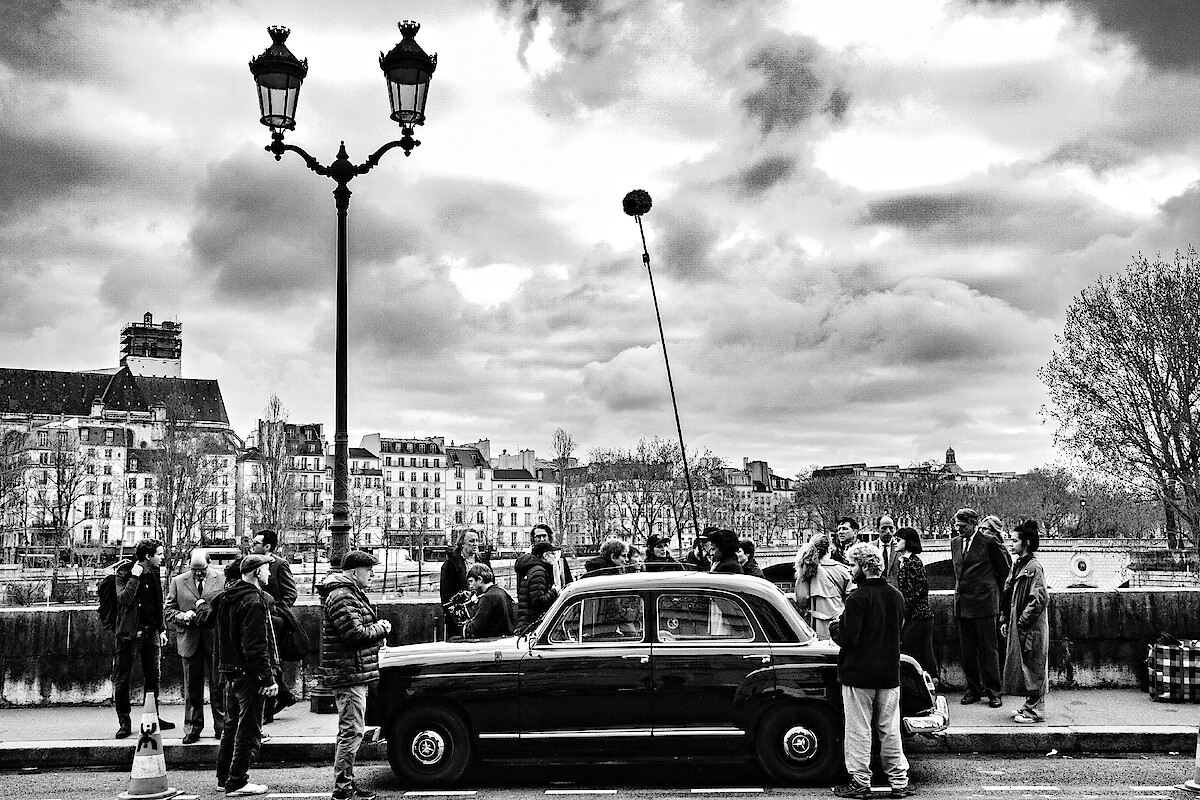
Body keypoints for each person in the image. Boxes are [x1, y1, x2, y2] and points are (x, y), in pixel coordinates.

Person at [829, 543, 910, 800]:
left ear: (864, 566)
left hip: (859, 673)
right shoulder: (896, 596)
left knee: (859, 730)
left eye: (853, 565)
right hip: (889, 673)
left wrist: (834, 627)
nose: (851, 570)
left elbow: (848, 637)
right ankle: (899, 782)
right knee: (890, 729)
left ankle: (861, 782)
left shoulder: (857, 598)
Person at [318, 550, 393, 800]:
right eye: (368, 570)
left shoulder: (348, 594)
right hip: (349, 674)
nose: (371, 574)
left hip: (353, 671)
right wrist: (381, 628)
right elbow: (355, 634)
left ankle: (346, 784)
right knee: (352, 731)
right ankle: (343, 788)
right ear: (353, 572)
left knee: (351, 730)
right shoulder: (342, 597)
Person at [214, 553, 279, 797]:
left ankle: (224, 777)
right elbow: (255, 647)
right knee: (249, 728)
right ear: (256, 572)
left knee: (231, 725)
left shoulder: (227, 597)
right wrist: (268, 679)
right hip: (249, 674)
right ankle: (237, 781)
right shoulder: (253, 601)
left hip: (231, 670)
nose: (269, 574)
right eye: (266, 569)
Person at [112, 538, 175, 739]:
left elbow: (158, 602)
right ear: (148, 557)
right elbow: (123, 600)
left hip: (151, 633)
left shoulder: (154, 573)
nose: (162, 557)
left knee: (153, 678)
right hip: (129, 635)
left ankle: (152, 718)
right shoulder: (124, 572)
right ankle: (124, 721)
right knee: (123, 679)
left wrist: (162, 629)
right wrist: (135, 578)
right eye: (159, 554)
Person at [951, 508, 1012, 709]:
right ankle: (973, 689)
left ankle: (994, 691)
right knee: (967, 651)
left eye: (962, 526)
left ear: (973, 524)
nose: (958, 529)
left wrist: (1001, 603)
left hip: (984, 604)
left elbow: (1004, 573)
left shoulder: (989, 542)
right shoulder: (955, 543)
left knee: (988, 650)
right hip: (963, 603)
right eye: (956, 525)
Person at [165, 548, 225, 744]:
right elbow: (169, 610)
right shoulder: (178, 581)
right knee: (191, 687)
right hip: (189, 640)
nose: (198, 574)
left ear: (209, 565)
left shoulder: (222, 579)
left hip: (214, 640)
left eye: (202, 570)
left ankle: (222, 726)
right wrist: (183, 616)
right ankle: (192, 727)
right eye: (194, 570)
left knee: (219, 685)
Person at [1002, 519, 1050, 724]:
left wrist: (1021, 622)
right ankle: (1029, 706)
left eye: (1014, 541)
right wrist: (1005, 619)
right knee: (1026, 666)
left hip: (1029, 627)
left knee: (1034, 666)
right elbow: (1008, 595)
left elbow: (1039, 599)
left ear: (1026, 543)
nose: (1010, 544)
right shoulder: (1020, 565)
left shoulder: (1033, 567)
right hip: (1019, 623)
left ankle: (1035, 710)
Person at [249, 529, 296, 724]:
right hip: (255, 620)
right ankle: (282, 697)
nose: (252, 545)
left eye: (256, 543)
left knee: (271, 663)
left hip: (274, 622)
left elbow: (290, 594)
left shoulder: (279, 565)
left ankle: (268, 710)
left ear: (267, 547)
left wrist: (274, 612)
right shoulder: (250, 563)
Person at [894, 526, 938, 682]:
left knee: (916, 652)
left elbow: (915, 592)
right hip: (918, 616)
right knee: (921, 652)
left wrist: (903, 613)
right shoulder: (907, 561)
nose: (895, 542)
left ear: (908, 542)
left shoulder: (912, 563)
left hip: (918, 616)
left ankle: (925, 682)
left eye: (898, 539)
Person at [793, 533, 852, 639]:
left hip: (814, 628)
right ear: (829, 548)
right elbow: (851, 602)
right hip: (838, 626)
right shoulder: (843, 571)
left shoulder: (805, 571)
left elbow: (801, 602)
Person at [439, 529, 489, 637]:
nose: (475, 544)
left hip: (482, 615)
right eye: (471, 541)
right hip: (460, 619)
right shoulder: (451, 565)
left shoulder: (484, 562)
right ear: (462, 543)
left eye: (477, 540)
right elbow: (446, 595)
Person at [514, 541, 559, 632]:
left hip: (525, 621)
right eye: (553, 554)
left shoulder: (532, 569)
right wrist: (554, 591)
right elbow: (539, 601)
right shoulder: (539, 572)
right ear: (545, 555)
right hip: (532, 624)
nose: (555, 557)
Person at [463, 563, 515, 638]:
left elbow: (477, 626)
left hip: (491, 640)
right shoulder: (502, 592)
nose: (470, 586)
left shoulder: (487, 598)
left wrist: (465, 627)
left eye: (471, 581)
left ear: (480, 579)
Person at [875, 516, 899, 585]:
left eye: (891, 528)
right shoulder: (870, 548)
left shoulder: (900, 549)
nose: (888, 531)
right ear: (877, 529)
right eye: (884, 528)